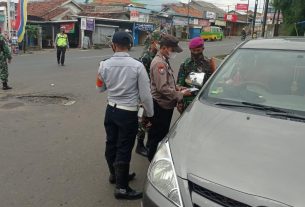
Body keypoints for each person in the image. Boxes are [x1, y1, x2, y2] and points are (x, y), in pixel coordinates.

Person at [96, 31, 154, 200]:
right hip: (127, 112)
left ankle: (115, 175)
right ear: (129, 46)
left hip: (111, 110)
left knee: (111, 143)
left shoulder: (104, 64)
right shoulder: (137, 66)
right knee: (124, 148)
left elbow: (100, 88)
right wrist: (150, 114)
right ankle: (122, 188)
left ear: (113, 45)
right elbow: (145, 95)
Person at [147, 34, 191, 161]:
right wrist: (180, 94)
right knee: (158, 135)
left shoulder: (164, 60)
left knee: (159, 133)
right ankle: (153, 160)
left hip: (164, 104)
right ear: (165, 48)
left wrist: (177, 87)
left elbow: (166, 83)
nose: (174, 53)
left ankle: (153, 155)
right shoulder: (159, 63)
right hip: (161, 106)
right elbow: (162, 88)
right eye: (172, 50)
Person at [135, 31, 161, 157]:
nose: (160, 45)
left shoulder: (158, 56)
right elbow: (142, 79)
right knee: (143, 119)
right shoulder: (146, 57)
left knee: (151, 120)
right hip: (145, 94)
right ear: (153, 43)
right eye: (159, 43)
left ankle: (149, 144)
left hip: (154, 94)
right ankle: (139, 145)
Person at [177, 37, 216, 112]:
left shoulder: (209, 63)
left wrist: (213, 67)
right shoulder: (185, 64)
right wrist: (180, 102)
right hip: (188, 103)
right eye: (193, 50)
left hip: (203, 102)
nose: (195, 53)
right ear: (190, 50)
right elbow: (179, 85)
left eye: (198, 50)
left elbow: (213, 83)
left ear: (203, 49)